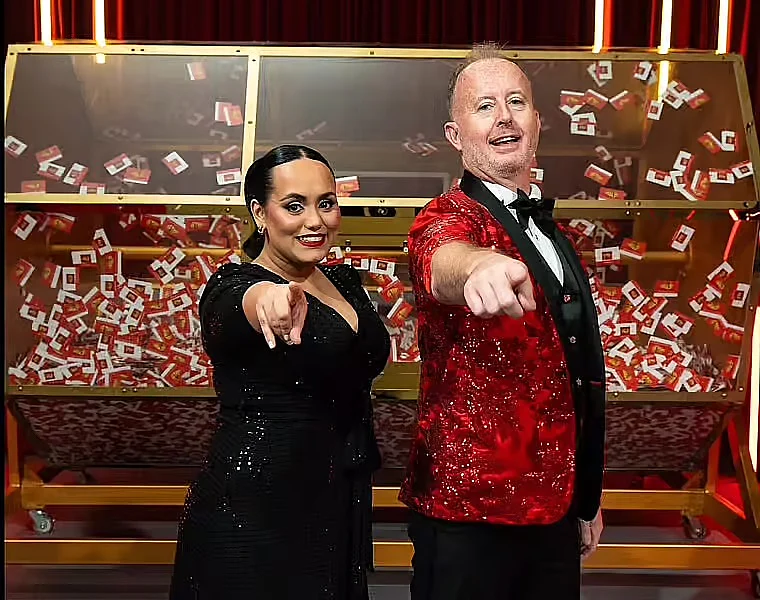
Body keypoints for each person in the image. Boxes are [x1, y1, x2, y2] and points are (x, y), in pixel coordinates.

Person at [400, 44, 606, 600]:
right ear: (455, 134)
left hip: (555, 507)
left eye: (516, 102)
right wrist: (476, 266)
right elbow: (442, 256)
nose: (504, 117)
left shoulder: (554, 233)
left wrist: (586, 495)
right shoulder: (445, 216)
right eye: (485, 105)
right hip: (469, 513)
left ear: (537, 122)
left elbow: (576, 373)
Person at [170, 145, 390, 600]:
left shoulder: (344, 282)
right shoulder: (235, 285)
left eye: (325, 203)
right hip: (255, 510)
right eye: (294, 206)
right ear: (260, 213)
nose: (315, 221)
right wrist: (268, 301)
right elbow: (242, 305)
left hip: (334, 497)